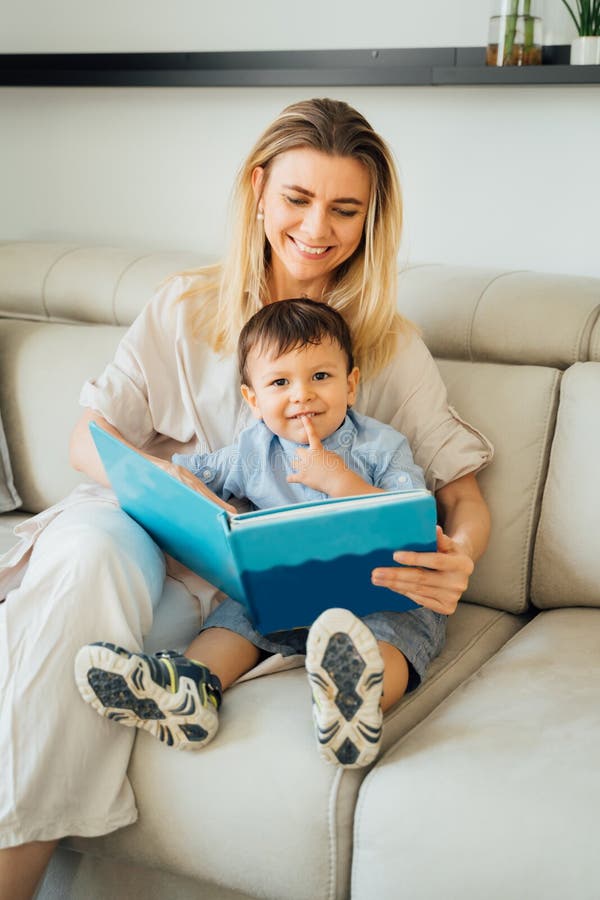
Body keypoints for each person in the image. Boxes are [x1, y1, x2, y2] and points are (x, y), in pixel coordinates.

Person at [0, 97, 492, 900]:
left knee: (79, 647)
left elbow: (460, 497)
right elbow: (90, 440)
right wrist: (180, 484)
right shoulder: (184, 305)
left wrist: (459, 558)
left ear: (371, 219)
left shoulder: (384, 342)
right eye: (298, 199)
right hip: (142, 522)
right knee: (83, 560)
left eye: (345, 209)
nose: (317, 229)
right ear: (259, 189)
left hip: (228, 582)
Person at [75, 297, 428, 769]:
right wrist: (156, 476)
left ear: (352, 383)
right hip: (291, 588)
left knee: (391, 635)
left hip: (380, 590)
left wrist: (339, 481)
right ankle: (189, 690)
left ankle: (353, 703)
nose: (301, 395)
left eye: (320, 377)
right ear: (253, 399)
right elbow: (190, 475)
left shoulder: (382, 446)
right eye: (280, 382)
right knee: (239, 616)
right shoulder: (252, 450)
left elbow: (410, 518)